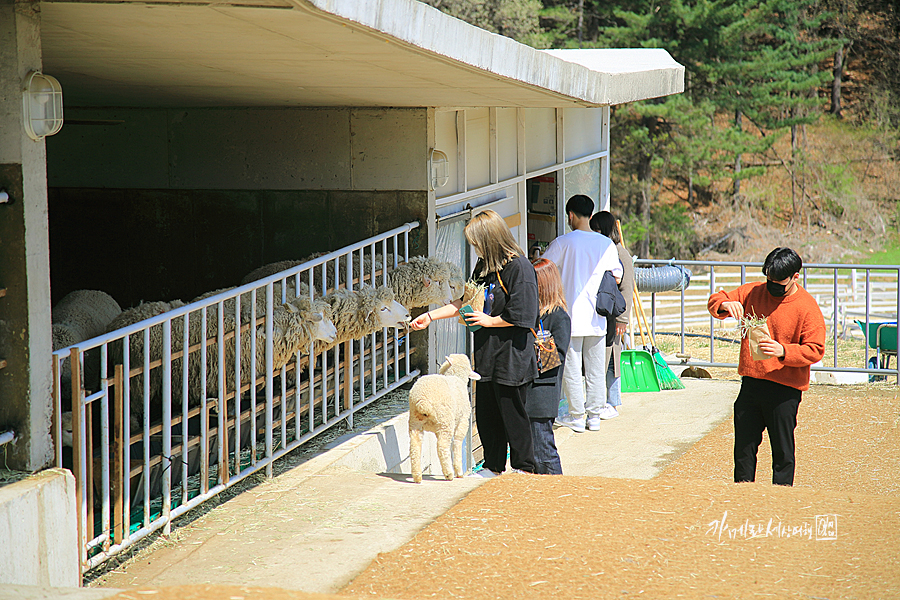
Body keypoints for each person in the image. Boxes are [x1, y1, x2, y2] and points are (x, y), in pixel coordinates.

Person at [410, 209, 538, 476]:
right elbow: (465, 303)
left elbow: (524, 315)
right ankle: (493, 465)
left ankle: (524, 468)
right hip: (487, 354)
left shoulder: (520, 268)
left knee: (512, 414)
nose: (475, 249)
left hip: (512, 355)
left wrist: (488, 321)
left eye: (477, 244)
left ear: (490, 240)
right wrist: (430, 316)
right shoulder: (484, 268)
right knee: (487, 413)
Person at [707, 247, 826, 486]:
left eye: (778, 282)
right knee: (743, 449)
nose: (772, 286)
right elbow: (715, 300)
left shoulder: (807, 306)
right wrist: (725, 306)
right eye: (769, 280)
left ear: (795, 277)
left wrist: (784, 351)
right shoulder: (753, 291)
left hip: (785, 390)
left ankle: (780, 501)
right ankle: (742, 496)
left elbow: (815, 349)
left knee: (782, 452)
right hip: (751, 384)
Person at [541, 195, 622, 433]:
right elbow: (617, 276)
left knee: (572, 369)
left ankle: (576, 417)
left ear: (571, 215)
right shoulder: (605, 244)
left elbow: (542, 270)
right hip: (597, 317)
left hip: (569, 318)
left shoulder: (563, 242)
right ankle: (594, 416)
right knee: (596, 370)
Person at [527, 258, 571, 474]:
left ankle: (557, 494)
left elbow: (557, 357)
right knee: (533, 453)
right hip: (528, 390)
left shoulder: (559, 317)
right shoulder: (532, 312)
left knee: (544, 450)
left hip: (543, 392)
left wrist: (538, 343)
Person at [590, 211, 634, 416]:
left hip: (614, 315)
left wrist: (623, 319)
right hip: (601, 312)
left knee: (612, 360)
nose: (594, 233)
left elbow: (627, 288)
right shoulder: (601, 249)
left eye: (597, 229)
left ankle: (613, 402)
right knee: (602, 358)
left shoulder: (620, 253)